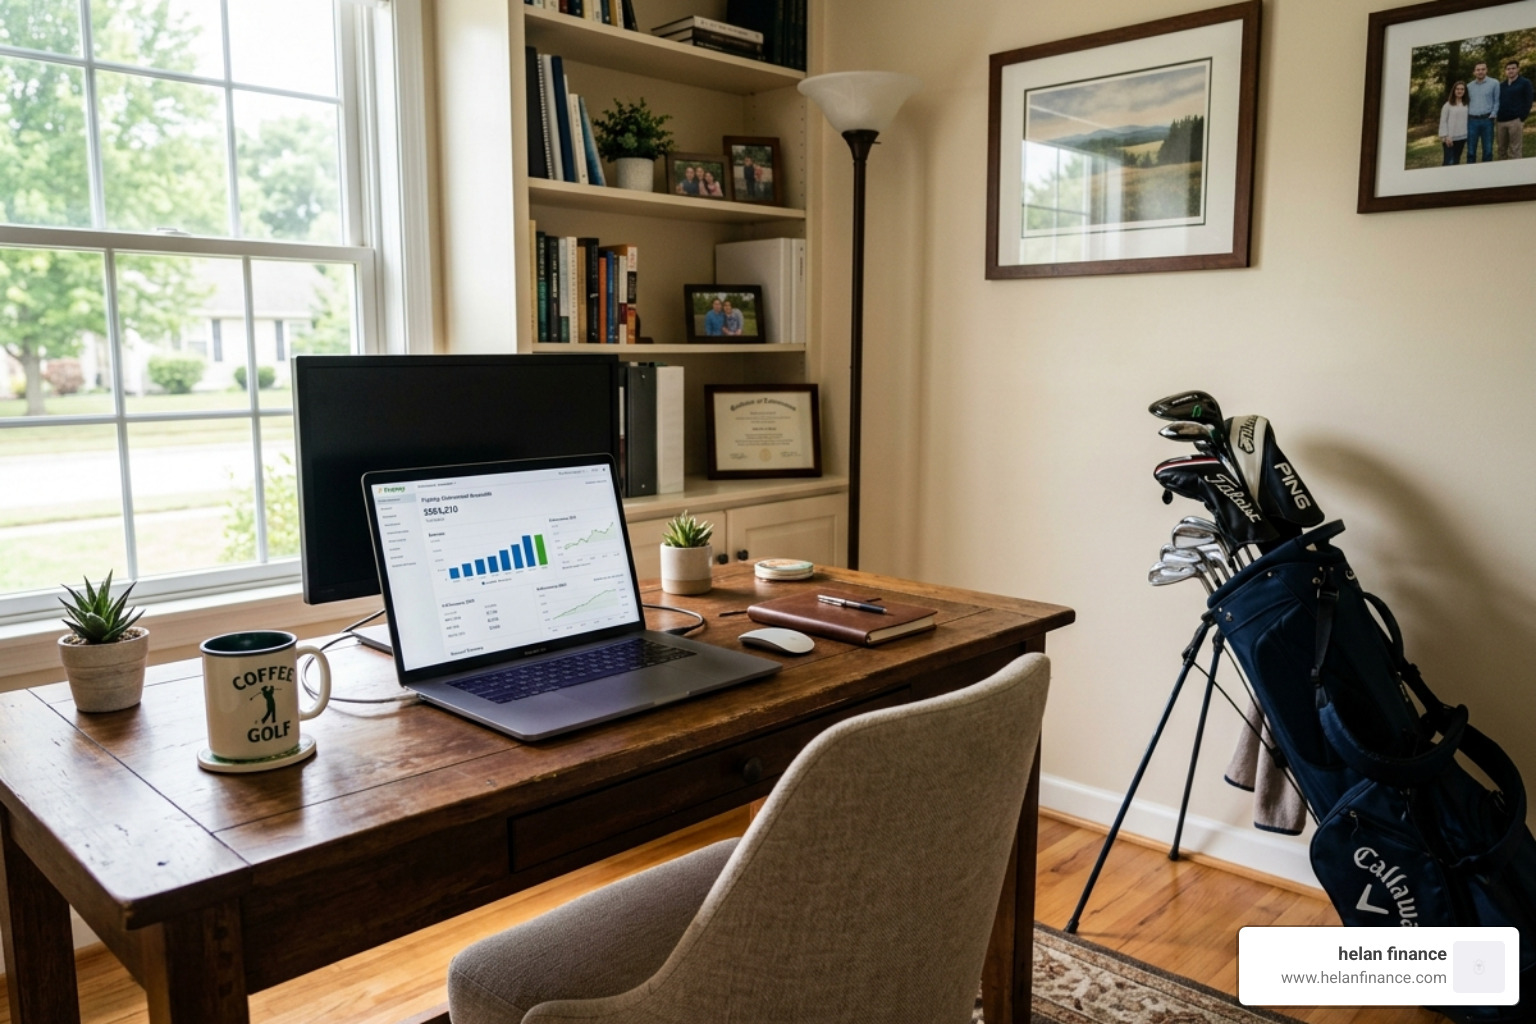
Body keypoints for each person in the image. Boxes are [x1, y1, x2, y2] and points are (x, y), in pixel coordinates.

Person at [1496, 59, 1533, 160]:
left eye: (1513, 68)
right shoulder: (1501, 85)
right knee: (1501, 149)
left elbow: (1528, 101)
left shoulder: (1525, 83)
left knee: (1515, 149)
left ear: (1518, 69)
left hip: (1515, 121)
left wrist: (1522, 117)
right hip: (1501, 121)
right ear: (1505, 71)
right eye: (1508, 69)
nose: (1510, 71)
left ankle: (1516, 173)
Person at [1465, 61, 1499, 162]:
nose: (1480, 72)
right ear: (1474, 72)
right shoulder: (1469, 86)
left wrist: (1493, 114)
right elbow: (1466, 103)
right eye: (1478, 70)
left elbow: (1497, 101)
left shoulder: (1494, 83)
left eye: (1483, 69)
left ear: (1486, 70)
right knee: (1471, 151)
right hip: (1472, 121)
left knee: (1488, 150)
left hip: (1487, 120)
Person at [1439, 80, 1468, 165]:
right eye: (1457, 89)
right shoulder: (1447, 105)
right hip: (1450, 138)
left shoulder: (1466, 104)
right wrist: (1446, 136)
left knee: (1456, 161)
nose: (1460, 91)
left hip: (1462, 137)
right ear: (1454, 91)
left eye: (1462, 89)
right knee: (1448, 162)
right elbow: (1443, 121)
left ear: (1465, 91)